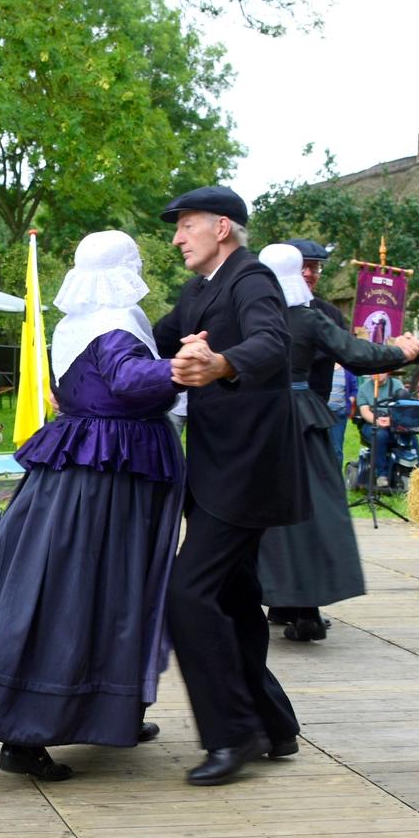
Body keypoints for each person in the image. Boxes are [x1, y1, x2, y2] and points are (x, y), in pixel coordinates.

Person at [0, 231, 185, 781]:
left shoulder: (75, 321)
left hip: (94, 470)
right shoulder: (114, 323)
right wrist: (186, 367)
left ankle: (112, 712)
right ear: (123, 268)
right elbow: (129, 380)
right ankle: (24, 730)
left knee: (93, 592)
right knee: (80, 594)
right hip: (108, 478)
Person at [153, 186, 307, 786]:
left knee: (188, 595)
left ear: (221, 227)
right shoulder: (198, 290)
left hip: (248, 471)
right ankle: (272, 724)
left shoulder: (251, 278)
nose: (176, 238)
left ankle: (231, 733)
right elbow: (155, 340)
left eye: (185, 226)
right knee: (235, 600)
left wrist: (222, 363)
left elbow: (273, 342)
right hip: (217, 466)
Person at [256, 244, 419, 641]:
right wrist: (402, 350)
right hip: (298, 418)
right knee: (310, 508)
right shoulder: (306, 318)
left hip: (254, 421)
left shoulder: (245, 316)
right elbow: (357, 355)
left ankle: (278, 600)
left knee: (261, 512)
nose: (312, 274)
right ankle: (302, 606)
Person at [284, 238, 355, 463]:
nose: (308, 273)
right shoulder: (266, 308)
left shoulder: (330, 314)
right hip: (276, 413)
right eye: (302, 267)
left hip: (316, 410)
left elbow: (350, 354)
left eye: (314, 267)